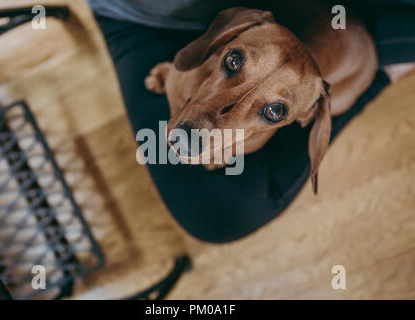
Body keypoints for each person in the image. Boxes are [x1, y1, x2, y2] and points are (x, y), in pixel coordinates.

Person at [88, 0, 414, 243]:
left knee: (219, 218)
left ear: (308, 118)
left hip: (354, 60)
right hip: (135, 14)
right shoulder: (244, 33)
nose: (202, 126)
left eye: (274, 111)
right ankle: (395, 61)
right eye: (235, 61)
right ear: (225, 39)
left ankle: (380, 74)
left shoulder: (316, 100)